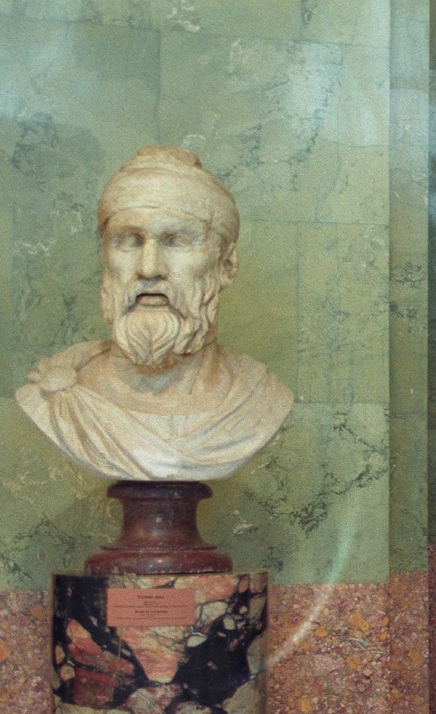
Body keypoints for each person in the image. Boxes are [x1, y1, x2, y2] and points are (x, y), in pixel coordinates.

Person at [15, 146, 291, 481]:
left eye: (176, 241)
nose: (149, 268)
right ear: (105, 258)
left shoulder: (258, 399)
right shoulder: (60, 389)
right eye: (128, 241)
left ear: (226, 266)